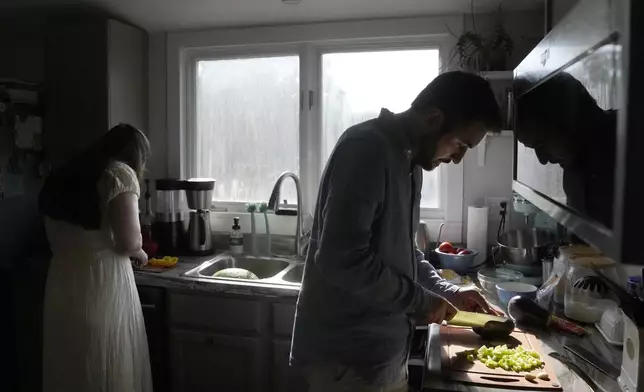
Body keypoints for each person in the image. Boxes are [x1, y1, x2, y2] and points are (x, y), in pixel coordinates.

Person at [290, 71, 503, 391]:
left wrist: (448, 291)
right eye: (461, 144)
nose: (458, 159)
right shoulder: (366, 149)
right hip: (347, 361)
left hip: (383, 354)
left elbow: (403, 250)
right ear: (433, 118)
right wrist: (421, 302)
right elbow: (341, 259)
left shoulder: (411, 162)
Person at [39, 124, 152, 392]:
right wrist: (140, 251)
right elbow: (129, 240)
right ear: (136, 156)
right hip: (103, 286)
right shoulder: (119, 174)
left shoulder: (63, 174)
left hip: (62, 282)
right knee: (107, 364)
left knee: (71, 366)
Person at [515, 72, 617, 227]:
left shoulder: (631, 139)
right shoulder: (573, 168)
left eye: (541, 145)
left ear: (568, 118)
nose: (542, 160)